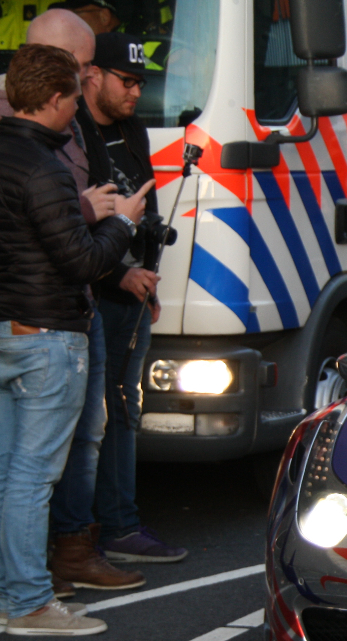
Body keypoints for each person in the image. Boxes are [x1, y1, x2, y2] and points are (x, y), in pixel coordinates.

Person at [0, 42, 149, 635]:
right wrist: (121, 222)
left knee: (10, 473)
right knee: (32, 478)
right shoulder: (46, 168)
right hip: (48, 337)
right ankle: (30, 603)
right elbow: (81, 261)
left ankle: (16, 593)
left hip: (7, 327)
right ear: (59, 99)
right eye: (72, 102)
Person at [79, 31, 187, 565]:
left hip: (134, 292)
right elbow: (72, 229)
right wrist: (120, 277)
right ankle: (110, 526)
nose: (135, 92)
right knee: (102, 414)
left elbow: (145, 207)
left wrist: (146, 274)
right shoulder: (74, 132)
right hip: (97, 292)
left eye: (141, 82)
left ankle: (112, 521)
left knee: (124, 409)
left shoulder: (132, 129)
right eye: (126, 80)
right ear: (92, 74)